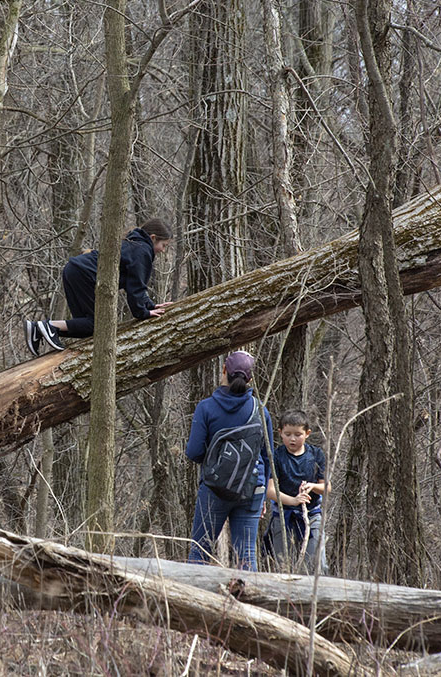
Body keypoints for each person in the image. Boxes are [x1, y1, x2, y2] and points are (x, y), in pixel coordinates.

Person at [23, 217, 173, 355]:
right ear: (153, 238)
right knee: (98, 324)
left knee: (87, 327)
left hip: (74, 269)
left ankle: (39, 329)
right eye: (163, 245)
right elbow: (136, 289)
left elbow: (133, 285)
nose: (163, 250)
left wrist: (150, 306)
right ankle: (48, 327)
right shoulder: (142, 250)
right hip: (83, 274)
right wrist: (143, 312)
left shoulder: (133, 244)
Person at [185, 350, 273, 571]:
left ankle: (195, 602)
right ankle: (248, 603)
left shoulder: (206, 408)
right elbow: (267, 457)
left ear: (223, 370)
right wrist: (263, 496)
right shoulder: (260, 411)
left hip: (214, 489)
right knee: (247, 556)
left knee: (200, 552)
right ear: (250, 379)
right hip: (252, 489)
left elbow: (194, 452)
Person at [262, 410, 328, 573]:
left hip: (312, 515)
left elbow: (326, 487)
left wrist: (312, 487)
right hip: (283, 516)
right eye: (288, 434)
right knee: (282, 566)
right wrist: (294, 500)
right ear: (280, 433)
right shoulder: (276, 456)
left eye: (298, 434)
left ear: (307, 434)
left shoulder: (316, 455)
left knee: (315, 566)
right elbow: (270, 490)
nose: (292, 439)